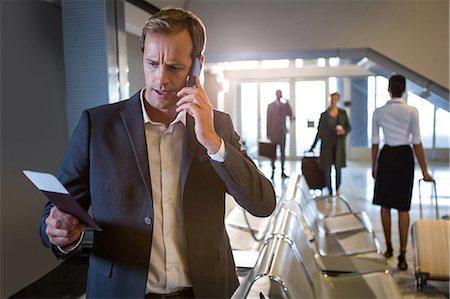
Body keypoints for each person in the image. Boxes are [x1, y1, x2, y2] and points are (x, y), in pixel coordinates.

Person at [40, 8, 276, 299]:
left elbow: (263, 203)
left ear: (197, 66)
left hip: (203, 291)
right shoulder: (98, 126)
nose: (160, 79)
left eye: (174, 67)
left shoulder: (219, 126)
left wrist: (213, 142)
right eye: (152, 63)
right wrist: (61, 233)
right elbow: (57, 210)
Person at [371, 74, 433, 271]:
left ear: (389, 89)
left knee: (384, 205)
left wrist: (374, 166)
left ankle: (388, 248)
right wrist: (425, 170)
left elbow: (374, 142)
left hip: (387, 156)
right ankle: (403, 254)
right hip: (405, 157)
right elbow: (417, 142)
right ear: (404, 90)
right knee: (403, 207)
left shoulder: (378, 112)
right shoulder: (412, 111)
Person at [309, 92, 351, 197]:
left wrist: (343, 131)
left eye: (336, 99)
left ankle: (337, 189)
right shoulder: (324, 115)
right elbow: (319, 132)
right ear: (330, 100)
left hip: (338, 146)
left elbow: (348, 127)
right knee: (326, 170)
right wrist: (313, 146)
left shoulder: (343, 113)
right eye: (332, 99)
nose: (333, 101)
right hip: (326, 146)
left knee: (338, 169)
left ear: (338, 100)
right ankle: (329, 190)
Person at [266, 89, 293, 178]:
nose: (279, 95)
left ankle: (282, 171)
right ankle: (273, 171)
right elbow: (268, 120)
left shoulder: (285, 105)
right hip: (273, 133)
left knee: (283, 152)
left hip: (282, 133)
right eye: (278, 94)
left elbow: (291, 115)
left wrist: (288, 103)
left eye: (280, 94)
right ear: (275, 94)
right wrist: (268, 133)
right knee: (272, 153)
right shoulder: (270, 106)